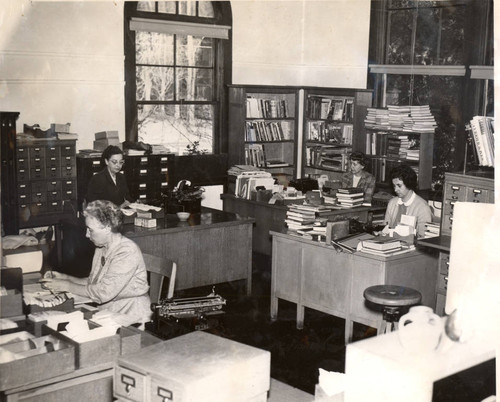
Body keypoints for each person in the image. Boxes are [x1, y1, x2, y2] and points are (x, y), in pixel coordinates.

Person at [44, 200, 151, 326]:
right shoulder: (102, 247)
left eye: (90, 230)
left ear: (107, 228)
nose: (87, 235)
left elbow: (103, 292)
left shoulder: (126, 252)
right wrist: (66, 278)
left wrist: (66, 286)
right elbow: (93, 283)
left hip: (132, 316)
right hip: (109, 311)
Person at [381, 164, 432, 238]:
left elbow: (423, 237)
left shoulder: (422, 207)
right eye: (394, 186)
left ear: (409, 184)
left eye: (399, 186)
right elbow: (385, 227)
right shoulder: (392, 203)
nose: (395, 190)